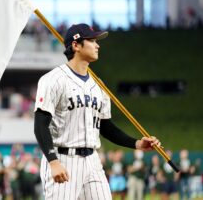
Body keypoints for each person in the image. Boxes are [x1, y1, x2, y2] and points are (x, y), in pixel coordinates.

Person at [33, 23, 162, 200]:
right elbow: (40, 124)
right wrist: (53, 161)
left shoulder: (99, 85)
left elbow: (104, 126)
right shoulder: (53, 79)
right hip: (63, 158)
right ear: (76, 45)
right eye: (92, 40)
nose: (97, 45)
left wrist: (137, 144)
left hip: (92, 161)